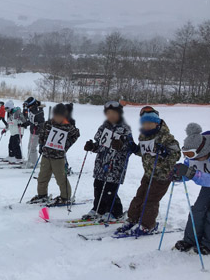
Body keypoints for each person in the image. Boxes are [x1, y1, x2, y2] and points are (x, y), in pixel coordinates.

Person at [116, 106, 181, 236]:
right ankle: (133, 219)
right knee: (139, 196)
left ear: (156, 123)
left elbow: (177, 154)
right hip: (148, 173)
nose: (146, 126)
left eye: (149, 123)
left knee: (150, 200)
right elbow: (144, 153)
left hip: (162, 176)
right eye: (144, 123)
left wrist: (164, 153)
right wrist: (133, 148)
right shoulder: (144, 136)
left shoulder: (166, 137)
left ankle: (147, 225)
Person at [82, 101, 133, 221]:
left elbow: (130, 147)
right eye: (109, 113)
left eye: (114, 113)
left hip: (115, 164)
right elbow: (100, 145)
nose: (111, 116)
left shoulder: (125, 129)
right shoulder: (104, 127)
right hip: (101, 163)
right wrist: (92, 147)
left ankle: (114, 211)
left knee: (110, 189)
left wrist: (121, 145)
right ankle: (98, 208)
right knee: (98, 186)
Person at [28, 103, 80, 205]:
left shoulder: (67, 126)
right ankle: (42, 195)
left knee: (60, 178)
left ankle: (66, 197)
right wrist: (41, 145)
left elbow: (76, 134)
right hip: (46, 155)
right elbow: (42, 135)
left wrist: (67, 145)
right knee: (42, 177)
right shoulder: (48, 124)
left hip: (58, 157)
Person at [173, 123, 210, 255]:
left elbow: (195, 174)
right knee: (198, 209)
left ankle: (207, 243)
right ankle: (190, 240)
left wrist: (192, 174)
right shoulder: (194, 156)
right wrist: (180, 175)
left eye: (196, 157)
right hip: (207, 186)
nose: (195, 160)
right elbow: (191, 171)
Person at [24, 97, 46, 169]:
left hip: (37, 132)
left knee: (33, 147)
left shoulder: (38, 111)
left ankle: (35, 163)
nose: (27, 107)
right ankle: (29, 161)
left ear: (32, 104)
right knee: (29, 146)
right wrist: (25, 124)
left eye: (28, 105)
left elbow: (42, 123)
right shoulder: (31, 110)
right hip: (32, 130)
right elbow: (31, 120)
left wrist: (38, 126)